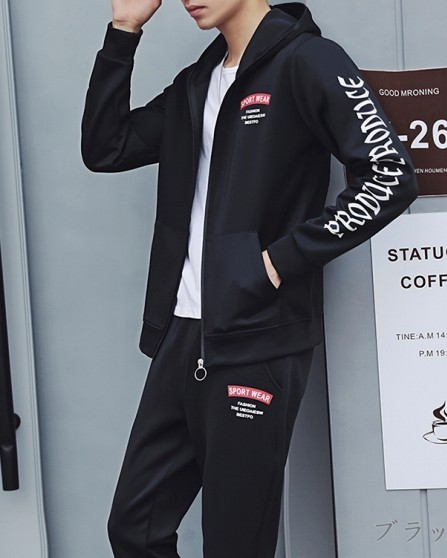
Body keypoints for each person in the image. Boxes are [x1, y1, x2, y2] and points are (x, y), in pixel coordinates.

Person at [81, 1, 418, 556]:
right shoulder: (198, 82)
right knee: (134, 528)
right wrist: (123, 31)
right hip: (184, 334)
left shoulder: (308, 61)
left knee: (235, 545)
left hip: (257, 338)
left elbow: (390, 176)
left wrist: (280, 260)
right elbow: (105, 147)